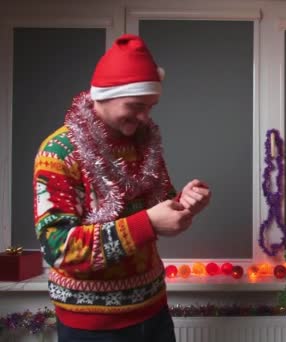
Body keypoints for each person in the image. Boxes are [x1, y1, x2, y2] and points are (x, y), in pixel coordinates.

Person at [32, 34, 211, 341]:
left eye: (151, 107)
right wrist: (150, 222)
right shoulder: (59, 152)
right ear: (106, 94)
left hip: (154, 311)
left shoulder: (144, 143)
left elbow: (159, 205)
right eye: (136, 105)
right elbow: (59, 249)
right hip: (93, 327)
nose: (145, 117)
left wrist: (184, 202)